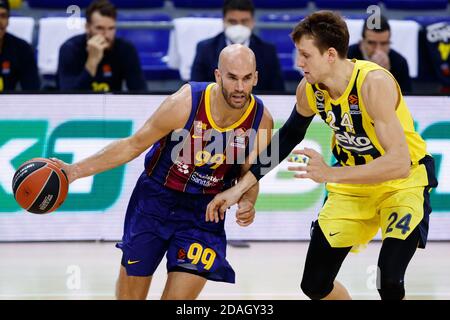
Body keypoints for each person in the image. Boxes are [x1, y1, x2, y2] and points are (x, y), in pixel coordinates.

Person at [206, 11, 438, 300]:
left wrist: (330, 173)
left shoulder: (373, 83)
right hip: (354, 187)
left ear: (330, 54)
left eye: (305, 55)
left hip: (403, 184)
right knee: (314, 285)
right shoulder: (309, 90)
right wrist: (239, 189)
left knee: (388, 281)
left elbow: (399, 163)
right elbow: (288, 136)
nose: (299, 62)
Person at [52, 44, 273, 299]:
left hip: (204, 214)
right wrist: (74, 171)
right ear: (218, 75)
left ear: (256, 77)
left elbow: (251, 175)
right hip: (155, 200)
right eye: (232, 77)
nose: (240, 88)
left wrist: (249, 202)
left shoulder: (262, 120)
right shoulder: (185, 101)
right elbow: (132, 145)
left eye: (247, 79)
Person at [191, 0, 285, 93]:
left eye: (244, 22)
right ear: (223, 21)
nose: (238, 26)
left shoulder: (268, 51)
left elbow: (277, 93)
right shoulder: (205, 49)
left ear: (252, 22)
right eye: (232, 22)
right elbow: (196, 90)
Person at [57, 0, 147, 93]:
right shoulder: (69, 49)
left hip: (113, 104)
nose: (106, 35)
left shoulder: (126, 49)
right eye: (100, 28)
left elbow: (140, 92)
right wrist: (92, 61)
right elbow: (68, 97)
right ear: (87, 27)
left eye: (111, 28)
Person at [347, 15, 412, 93]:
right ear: (362, 41)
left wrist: (387, 76)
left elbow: (405, 98)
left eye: (384, 43)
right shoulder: (347, 57)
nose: (378, 49)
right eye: (372, 43)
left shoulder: (399, 62)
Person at [0, 0, 40, 92]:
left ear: (8, 20)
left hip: (9, 104)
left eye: (3, 16)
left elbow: (32, 90)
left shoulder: (22, 48)